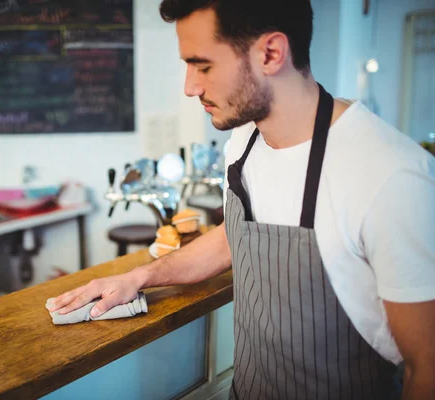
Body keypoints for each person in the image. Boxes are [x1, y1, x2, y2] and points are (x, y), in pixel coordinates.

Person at [47, 1, 435, 398]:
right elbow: (236, 234)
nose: (190, 87)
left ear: (271, 53)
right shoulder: (244, 140)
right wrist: (139, 277)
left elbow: (427, 369)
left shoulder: (392, 176)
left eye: (203, 66)